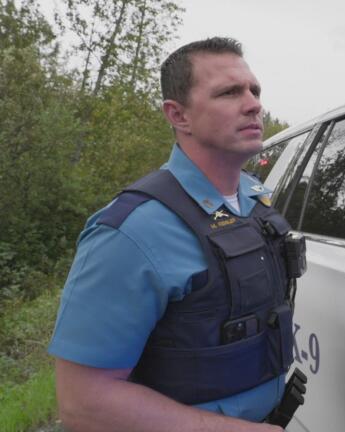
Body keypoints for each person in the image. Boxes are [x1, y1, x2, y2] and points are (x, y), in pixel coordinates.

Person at [48, 37, 295, 432]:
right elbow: (83, 403)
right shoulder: (133, 231)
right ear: (178, 115)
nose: (253, 105)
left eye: (255, 90)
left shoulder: (254, 201)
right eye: (230, 92)